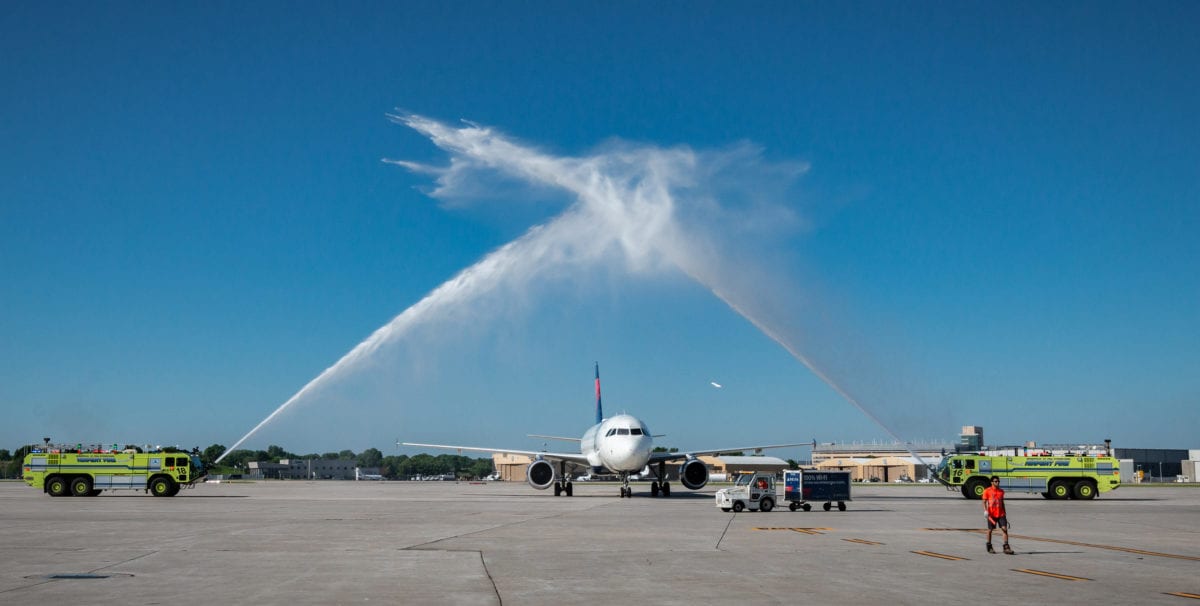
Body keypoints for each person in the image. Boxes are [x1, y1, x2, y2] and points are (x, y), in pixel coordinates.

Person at [982, 476, 1014, 554]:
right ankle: (989, 546)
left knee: (1004, 529)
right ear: (992, 482)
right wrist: (985, 511)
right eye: (996, 481)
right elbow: (984, 502)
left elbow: (1002, 502)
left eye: (998, 481)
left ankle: (1006, 547)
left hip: (1001, 513)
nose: (997, 483)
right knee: (990, 530)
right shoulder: (987, 491)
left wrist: (1005, 513)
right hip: (991, 514)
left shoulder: (1001, 491)